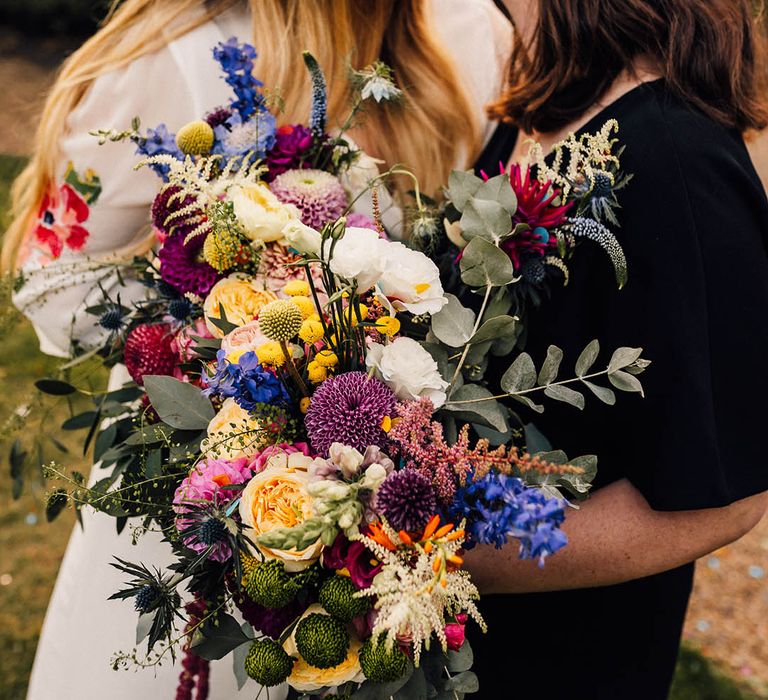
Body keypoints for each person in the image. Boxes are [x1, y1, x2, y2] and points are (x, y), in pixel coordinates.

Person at [2, 1, 511, 698]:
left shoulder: (466, 31)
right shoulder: (169, 58)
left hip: (340, 522)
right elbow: (56, 294)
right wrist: (230, 337)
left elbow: (55, 296)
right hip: (228, 509)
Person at [467, 1, 768, 698]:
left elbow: (726, 496)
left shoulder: (677, 160)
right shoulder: (536, 108)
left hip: (558, 662)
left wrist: (447, 553)